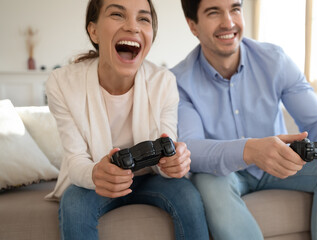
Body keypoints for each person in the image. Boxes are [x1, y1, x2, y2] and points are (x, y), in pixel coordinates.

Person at [171, 0, 317, 239]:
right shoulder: (178, 81)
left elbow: (316, 120)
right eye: (213, 12)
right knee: (207, 182)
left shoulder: (274, 59)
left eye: (235, 9)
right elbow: (191, 148)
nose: (229, 22)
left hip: (281, 163)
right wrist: (249, 150)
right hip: (224, 174)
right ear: (193, 26)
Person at [44, 0, 209, 239]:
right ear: (94, 31)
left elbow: (168, 146)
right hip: (96, 180)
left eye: (143, 19)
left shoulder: (164, 82)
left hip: (150, 178)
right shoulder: (62, 83)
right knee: (74, 203)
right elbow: (76, 158)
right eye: (117, 14)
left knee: (188, 195)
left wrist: (175, 162)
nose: (133, 27)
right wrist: (95, 174)